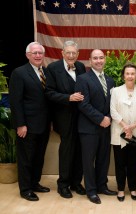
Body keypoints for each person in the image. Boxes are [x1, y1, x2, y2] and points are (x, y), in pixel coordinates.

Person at [9, 41, 51, 201]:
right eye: (35, 53)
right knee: (26, 158)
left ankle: (35, 183)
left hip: (44, 125)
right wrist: (20, 124)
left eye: (40, 53)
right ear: (28, 55)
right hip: (26, 126)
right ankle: (25, 189)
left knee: (39, 157)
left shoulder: (46, 72)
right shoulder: (19, 73)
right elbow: (16, 102)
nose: (38, 55)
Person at [74, 49, 117, 204]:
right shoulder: (83, 79)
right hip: (89, 128)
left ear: (104, 59)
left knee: (103, 159)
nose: (98, 61)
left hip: (106, 127)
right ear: (90, 61)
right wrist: (101, 119)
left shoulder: (110, 80)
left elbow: (114, 104)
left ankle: (102, 185)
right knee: (88, 160)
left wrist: (110, 118)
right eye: (95, 58)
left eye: (101, 58)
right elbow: (83, 104)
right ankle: (91, 190)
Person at [45, 40, 86, 198]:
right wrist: (68, 97)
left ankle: (76, 183)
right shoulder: (53, 68)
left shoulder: (81, 67)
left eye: (73, 53)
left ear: (77, 54)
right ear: (62, 53)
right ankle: (63, 184)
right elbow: (49, 93)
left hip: (81, 117)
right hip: (64, 117)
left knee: (79, 151)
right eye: (67, 52)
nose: (70, 55)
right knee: (67, 151)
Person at [110, 63, 136, 202]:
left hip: (135, 133)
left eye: (133, 74)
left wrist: (134, 125)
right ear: (123, 75)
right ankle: (120, 190)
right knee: (119, 163)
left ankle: (132, 188)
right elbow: (113, 110)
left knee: (133, 163)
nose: (130, 76)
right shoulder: (115, 91)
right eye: (127, 73)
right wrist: (125, 126)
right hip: (119, 132)